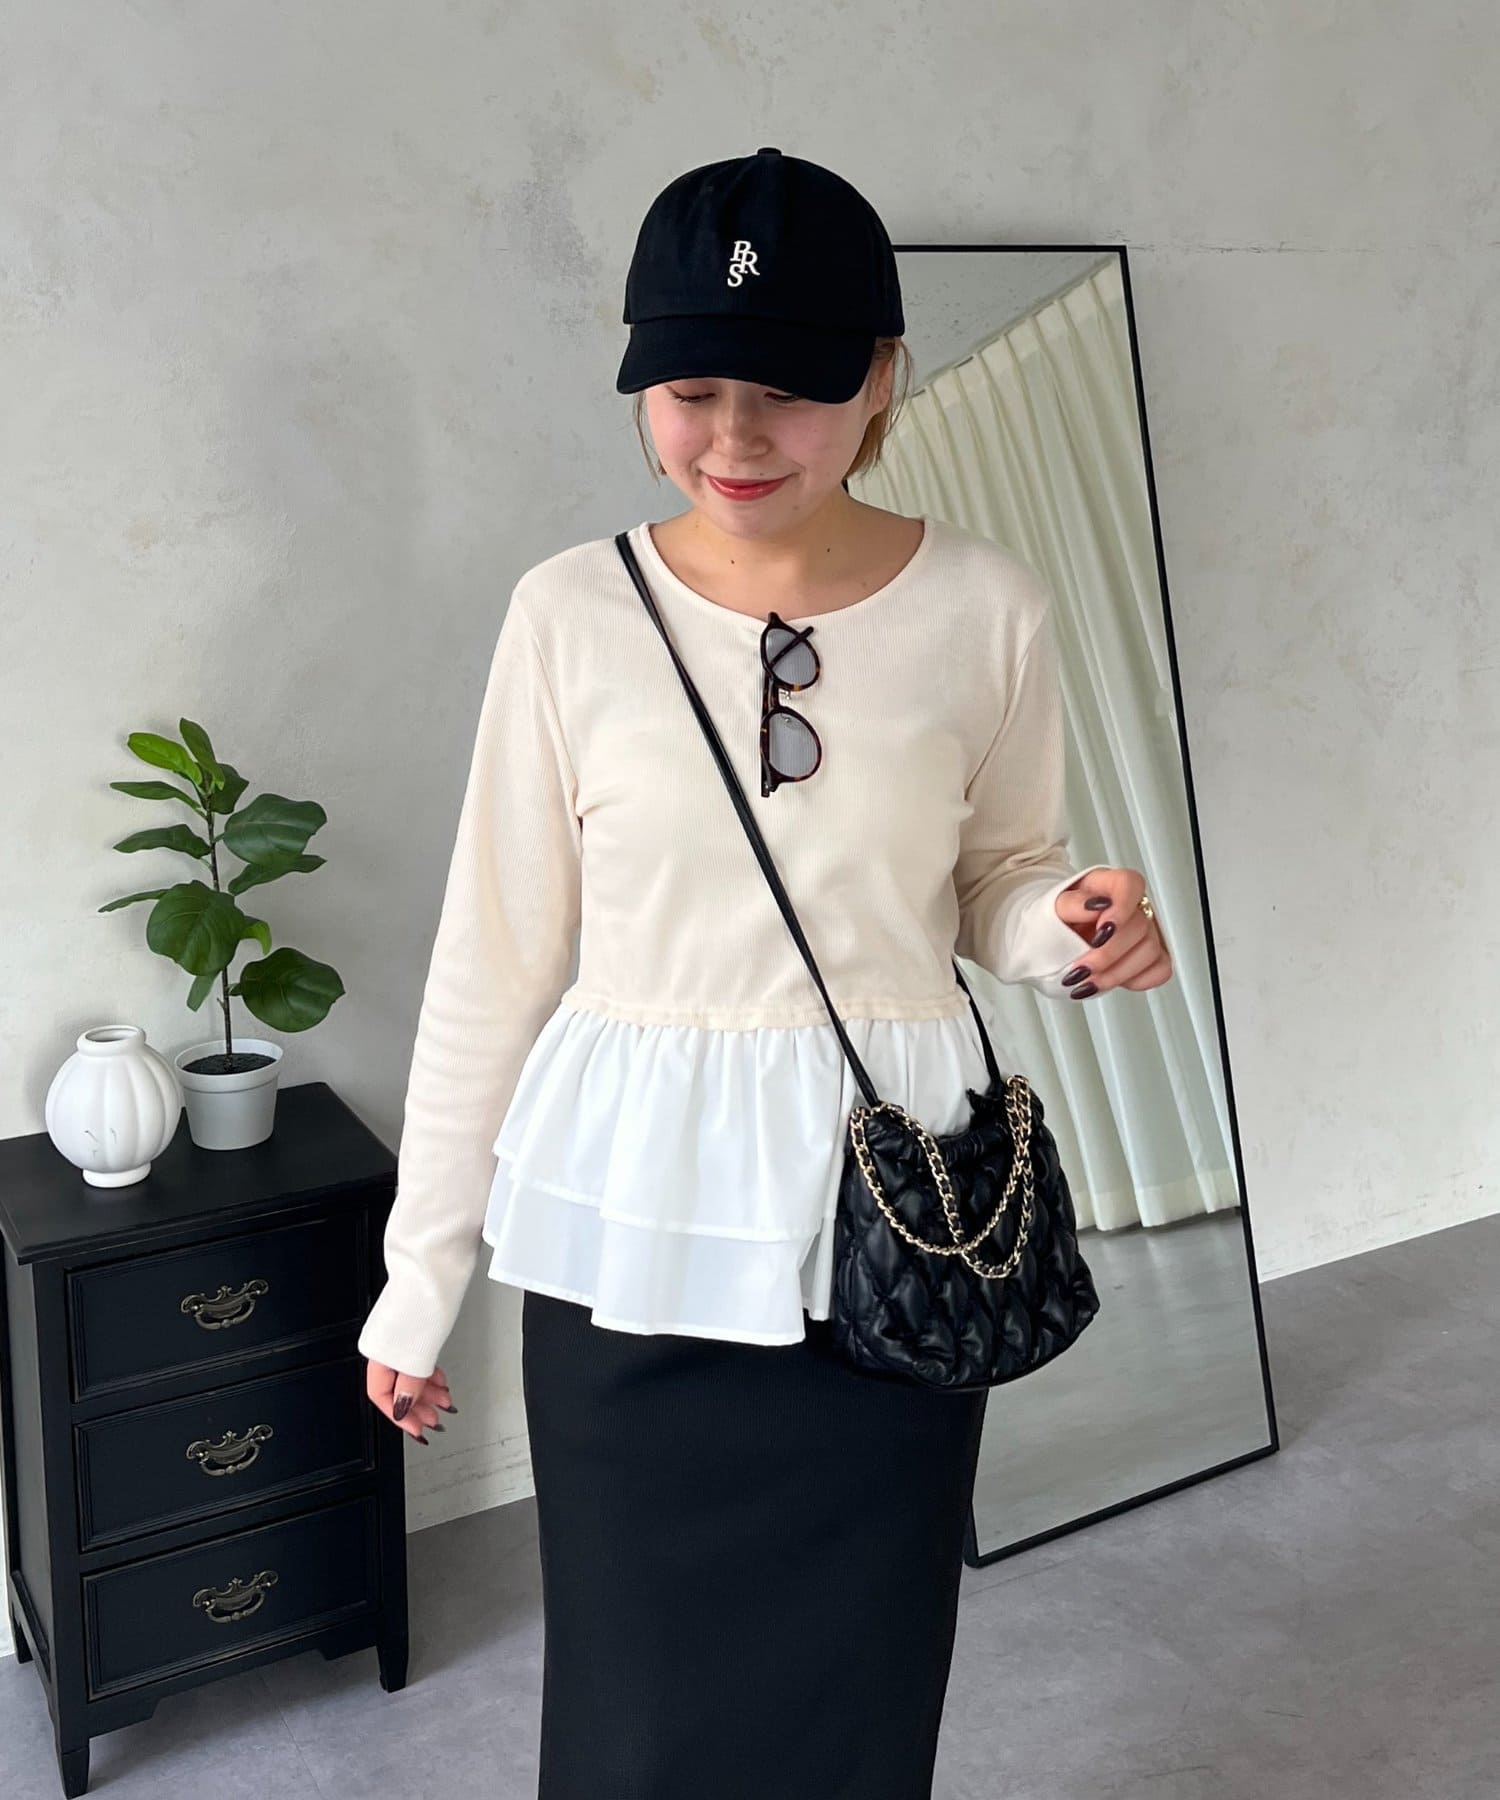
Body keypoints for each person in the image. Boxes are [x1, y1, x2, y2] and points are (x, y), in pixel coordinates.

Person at [357, 147, 1172, 1799]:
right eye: (689, 391)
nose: (733, 440)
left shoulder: (989, 609)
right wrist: (419, 1273)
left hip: (898, 1224)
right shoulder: (568, 614)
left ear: (881, 378)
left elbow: (994, 880)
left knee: (865, 1689)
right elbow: (493, 959)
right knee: (635, 1710)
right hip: (635, 1227)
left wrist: (1072, 927)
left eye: (789, 392)